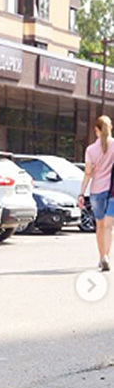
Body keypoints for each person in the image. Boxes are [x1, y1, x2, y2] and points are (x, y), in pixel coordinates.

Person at [79, 115, 114, 271]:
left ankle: (102, 257)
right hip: (112, 191)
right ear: (110, 128)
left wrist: (81, 193)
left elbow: (88, 173)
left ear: (96, 130)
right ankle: (107, 256)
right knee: (109, 227)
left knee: (100, 226)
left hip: (96, 191)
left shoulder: (90, 150)